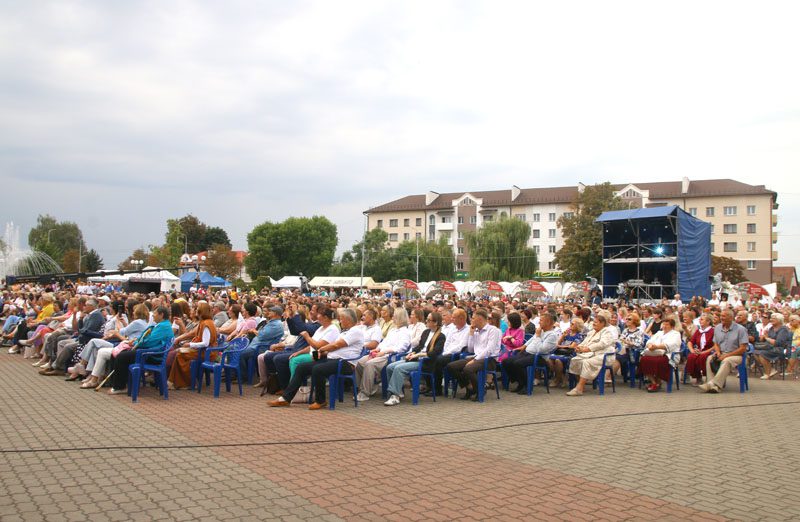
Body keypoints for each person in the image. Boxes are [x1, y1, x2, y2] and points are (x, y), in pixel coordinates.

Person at [268, 308, 364, 410]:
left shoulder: (355, 331)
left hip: (345, 363)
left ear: (348, 319)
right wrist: (321, 353)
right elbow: (332, 348)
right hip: (332, 359)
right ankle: (286, 398)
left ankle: (321, 401)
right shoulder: (344, 331)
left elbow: (337, 345)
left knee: (318, 369)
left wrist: (321, 350)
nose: (340, 321)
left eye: (341, 319)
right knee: (301, 367)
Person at [107, 306, 174, 394]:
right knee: (118, 353)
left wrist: (135, 344)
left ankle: (120, 387)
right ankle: (116, 383)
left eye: (154, 313)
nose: (153, 315)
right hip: (149, 352)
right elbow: (147, 338)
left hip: (152, 355)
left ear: (161, 315)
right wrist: (136, 341)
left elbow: (150, 341)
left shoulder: (163, 326)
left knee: (121, 356)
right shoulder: (161, 325)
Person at [383, 312, 445, 406]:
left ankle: (394, 395)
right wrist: (412, 352)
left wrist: (418, 355)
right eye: (426, 319)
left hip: (425, 362)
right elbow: (419, 346)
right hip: (416, 359)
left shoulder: (441, 336)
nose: (426, 321)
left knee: (399, 368)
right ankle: (398, 391)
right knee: (390, 367)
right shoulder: (426, 332)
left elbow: (434, 353)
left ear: (435, 323)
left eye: (429, 320)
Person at [355, 307, 411, 401]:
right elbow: (384, 342)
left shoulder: (405, 332)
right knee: (359, 362)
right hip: (381, 353)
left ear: (400, 318)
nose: (393, 317)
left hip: (390, 356)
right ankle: (367, 385)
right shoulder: (393, 330)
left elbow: (401, 348)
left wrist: (384, 352)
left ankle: (365, 392)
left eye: (394, 316)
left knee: (370, 364)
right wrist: (377, 349)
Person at [446, 309, 501, 401]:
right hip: (476, 357)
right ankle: (469, 387)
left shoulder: (493, 330)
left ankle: (480, 390)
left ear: (480, 319)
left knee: (468, 369)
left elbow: (489, 350)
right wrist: (471, 334)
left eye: (473, 318)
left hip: (489, 359)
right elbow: (471, 349)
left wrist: (475, 360)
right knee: (451, 366)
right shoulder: (475, 331)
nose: (471, 320)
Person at [502, 310, 559, 393]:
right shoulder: (541, 330)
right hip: (527, 353)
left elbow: (541, 349)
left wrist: (538, 336)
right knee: (506, 362)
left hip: (539, 357)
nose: (539, 322)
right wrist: (523, 346)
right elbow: (532, 339)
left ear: (548, 322)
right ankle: (518, 381)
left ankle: (526, 385)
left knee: (518, 364)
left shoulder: (552, 335)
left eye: (541, 320)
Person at [168, 302, 218, 390]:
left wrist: (189, 344)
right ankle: (176, 381)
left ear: (200, 311)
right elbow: (192, 334)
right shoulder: (206, 322)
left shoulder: (206, 324)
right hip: (203, 351)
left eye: (197, 308)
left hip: (207, 353)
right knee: (179, 353)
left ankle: (186, 383)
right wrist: (180, 340)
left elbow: (205, 343)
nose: (195, 310)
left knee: (180, 355)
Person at [699, 309, 749, 393]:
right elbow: (716, 343)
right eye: (721, 316)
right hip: (721, 353)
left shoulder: (741, 329)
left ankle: (712, 384)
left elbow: (742, 348)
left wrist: (726, 355)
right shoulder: (718, 328)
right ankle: (714, 387)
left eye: (724, 316)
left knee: (726, 360)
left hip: (737, 355)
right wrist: (718, 352)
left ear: (731, 317)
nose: (721, 318)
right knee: (709, 358)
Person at [566, 314, 615, 396]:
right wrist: (579, 347)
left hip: (603, 355)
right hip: (590, 354)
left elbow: (602, 344)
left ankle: (579, 388)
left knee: (586, 362)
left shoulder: (607, 332)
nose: (594, 324)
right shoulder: (591, 332)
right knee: (575, 360)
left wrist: (588, 349)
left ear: (602, 323)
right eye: (593, 322)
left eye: (596, 322)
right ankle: (581, 384)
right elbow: (585, 342)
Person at [240, 305, 284, 382]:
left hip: (260, 347)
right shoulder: (271, 323)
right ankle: (238, 374)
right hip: (255, 345)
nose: (268, 312)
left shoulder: (276, 325)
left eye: (271, 311)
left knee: (240, 354)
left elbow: (262, 336)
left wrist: (254, 331)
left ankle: (243, 377)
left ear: (276, 314)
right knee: (236, 351)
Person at [638, 317, 682, 392]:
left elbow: (672, 345)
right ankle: (654, 382)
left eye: (667, 325)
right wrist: (650, 346)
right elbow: (649, 341)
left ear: (672, 326)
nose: (664, 326)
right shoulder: (659, 333)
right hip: (654, 353)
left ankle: (658, 381)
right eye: (663, 324)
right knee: (644, 359)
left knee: (659, 361)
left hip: (669, 355)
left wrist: (657, 347)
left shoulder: (676, 334)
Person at [754, 312, 792, 380]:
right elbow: (767, 340)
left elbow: (778, 343)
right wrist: (763, 337)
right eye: (771, 318)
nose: (771, 319)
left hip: (780, 349)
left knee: (762, 353)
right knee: (755, 352)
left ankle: (767, 373)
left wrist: (766, 338)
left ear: (779, 320)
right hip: (770, 347)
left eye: (773, 318)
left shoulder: (783, 329)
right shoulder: (771, 328)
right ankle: (771, 370)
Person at [550, 317, 585, 387]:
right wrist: (563, 336)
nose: (570, 325)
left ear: (577, 326)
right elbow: (558, 343)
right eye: (571, 324)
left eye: (572, 324)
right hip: (561, 352)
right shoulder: (567, 334)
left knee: (557, 361)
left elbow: (572, 347)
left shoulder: (578, 336)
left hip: (571, 354)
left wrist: (559, 346)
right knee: (549, 358)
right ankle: (561, 377)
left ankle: (558, 379)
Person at [685, 313, 715, 386]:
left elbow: (715, 345)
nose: (700, 321)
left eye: (702, 319)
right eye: (700, 319)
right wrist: (692, 350)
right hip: (699, 350)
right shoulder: (699, 331)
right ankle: (698, 377)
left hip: (710, 351)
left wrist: (704, 352)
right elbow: (690, 342)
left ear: (708, 322)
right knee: (691, 356)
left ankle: (708, 377)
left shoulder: (713, 331)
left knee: (703, 357)